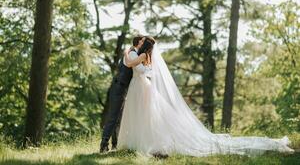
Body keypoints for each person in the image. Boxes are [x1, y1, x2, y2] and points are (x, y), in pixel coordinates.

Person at [117, 37, 294, 157]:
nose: (139, 45)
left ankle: (144, 143)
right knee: (140, 116)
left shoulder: (140, 56)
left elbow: (131, 64)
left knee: (145, 115)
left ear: (144, 46)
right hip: (139, 86)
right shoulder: (145, 57)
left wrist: (126, 52)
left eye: (141, 43)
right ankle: (136, 143)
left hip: (141, 87)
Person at [99, 35, 146, 153]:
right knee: (113, 117)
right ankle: (104, 144)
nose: (144, 45)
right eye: (143, 42)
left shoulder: (132, 52)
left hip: (122, 88)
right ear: (138, 43)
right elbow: (130, 65)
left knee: (119, 118)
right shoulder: (132, 54)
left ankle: (115, 144)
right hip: (119, 87)